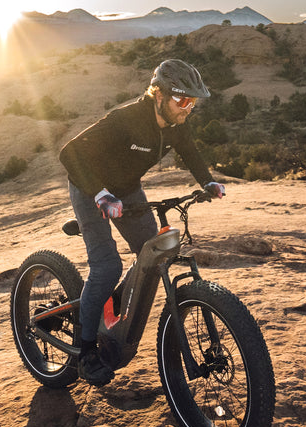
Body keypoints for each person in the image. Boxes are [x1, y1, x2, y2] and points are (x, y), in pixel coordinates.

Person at [59, 59, 226, 386]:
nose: (188, 109)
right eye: (182, 100)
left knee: (155, 254)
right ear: (160, 95)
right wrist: (100, 195)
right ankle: (85, 351)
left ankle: (112, 303)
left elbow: (189, 150)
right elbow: (70, 153)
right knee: (107, 267)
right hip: (91, 188)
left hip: (128, 189)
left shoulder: (176, 125)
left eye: (193, 102)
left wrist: (207, 182)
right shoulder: (126, 119)